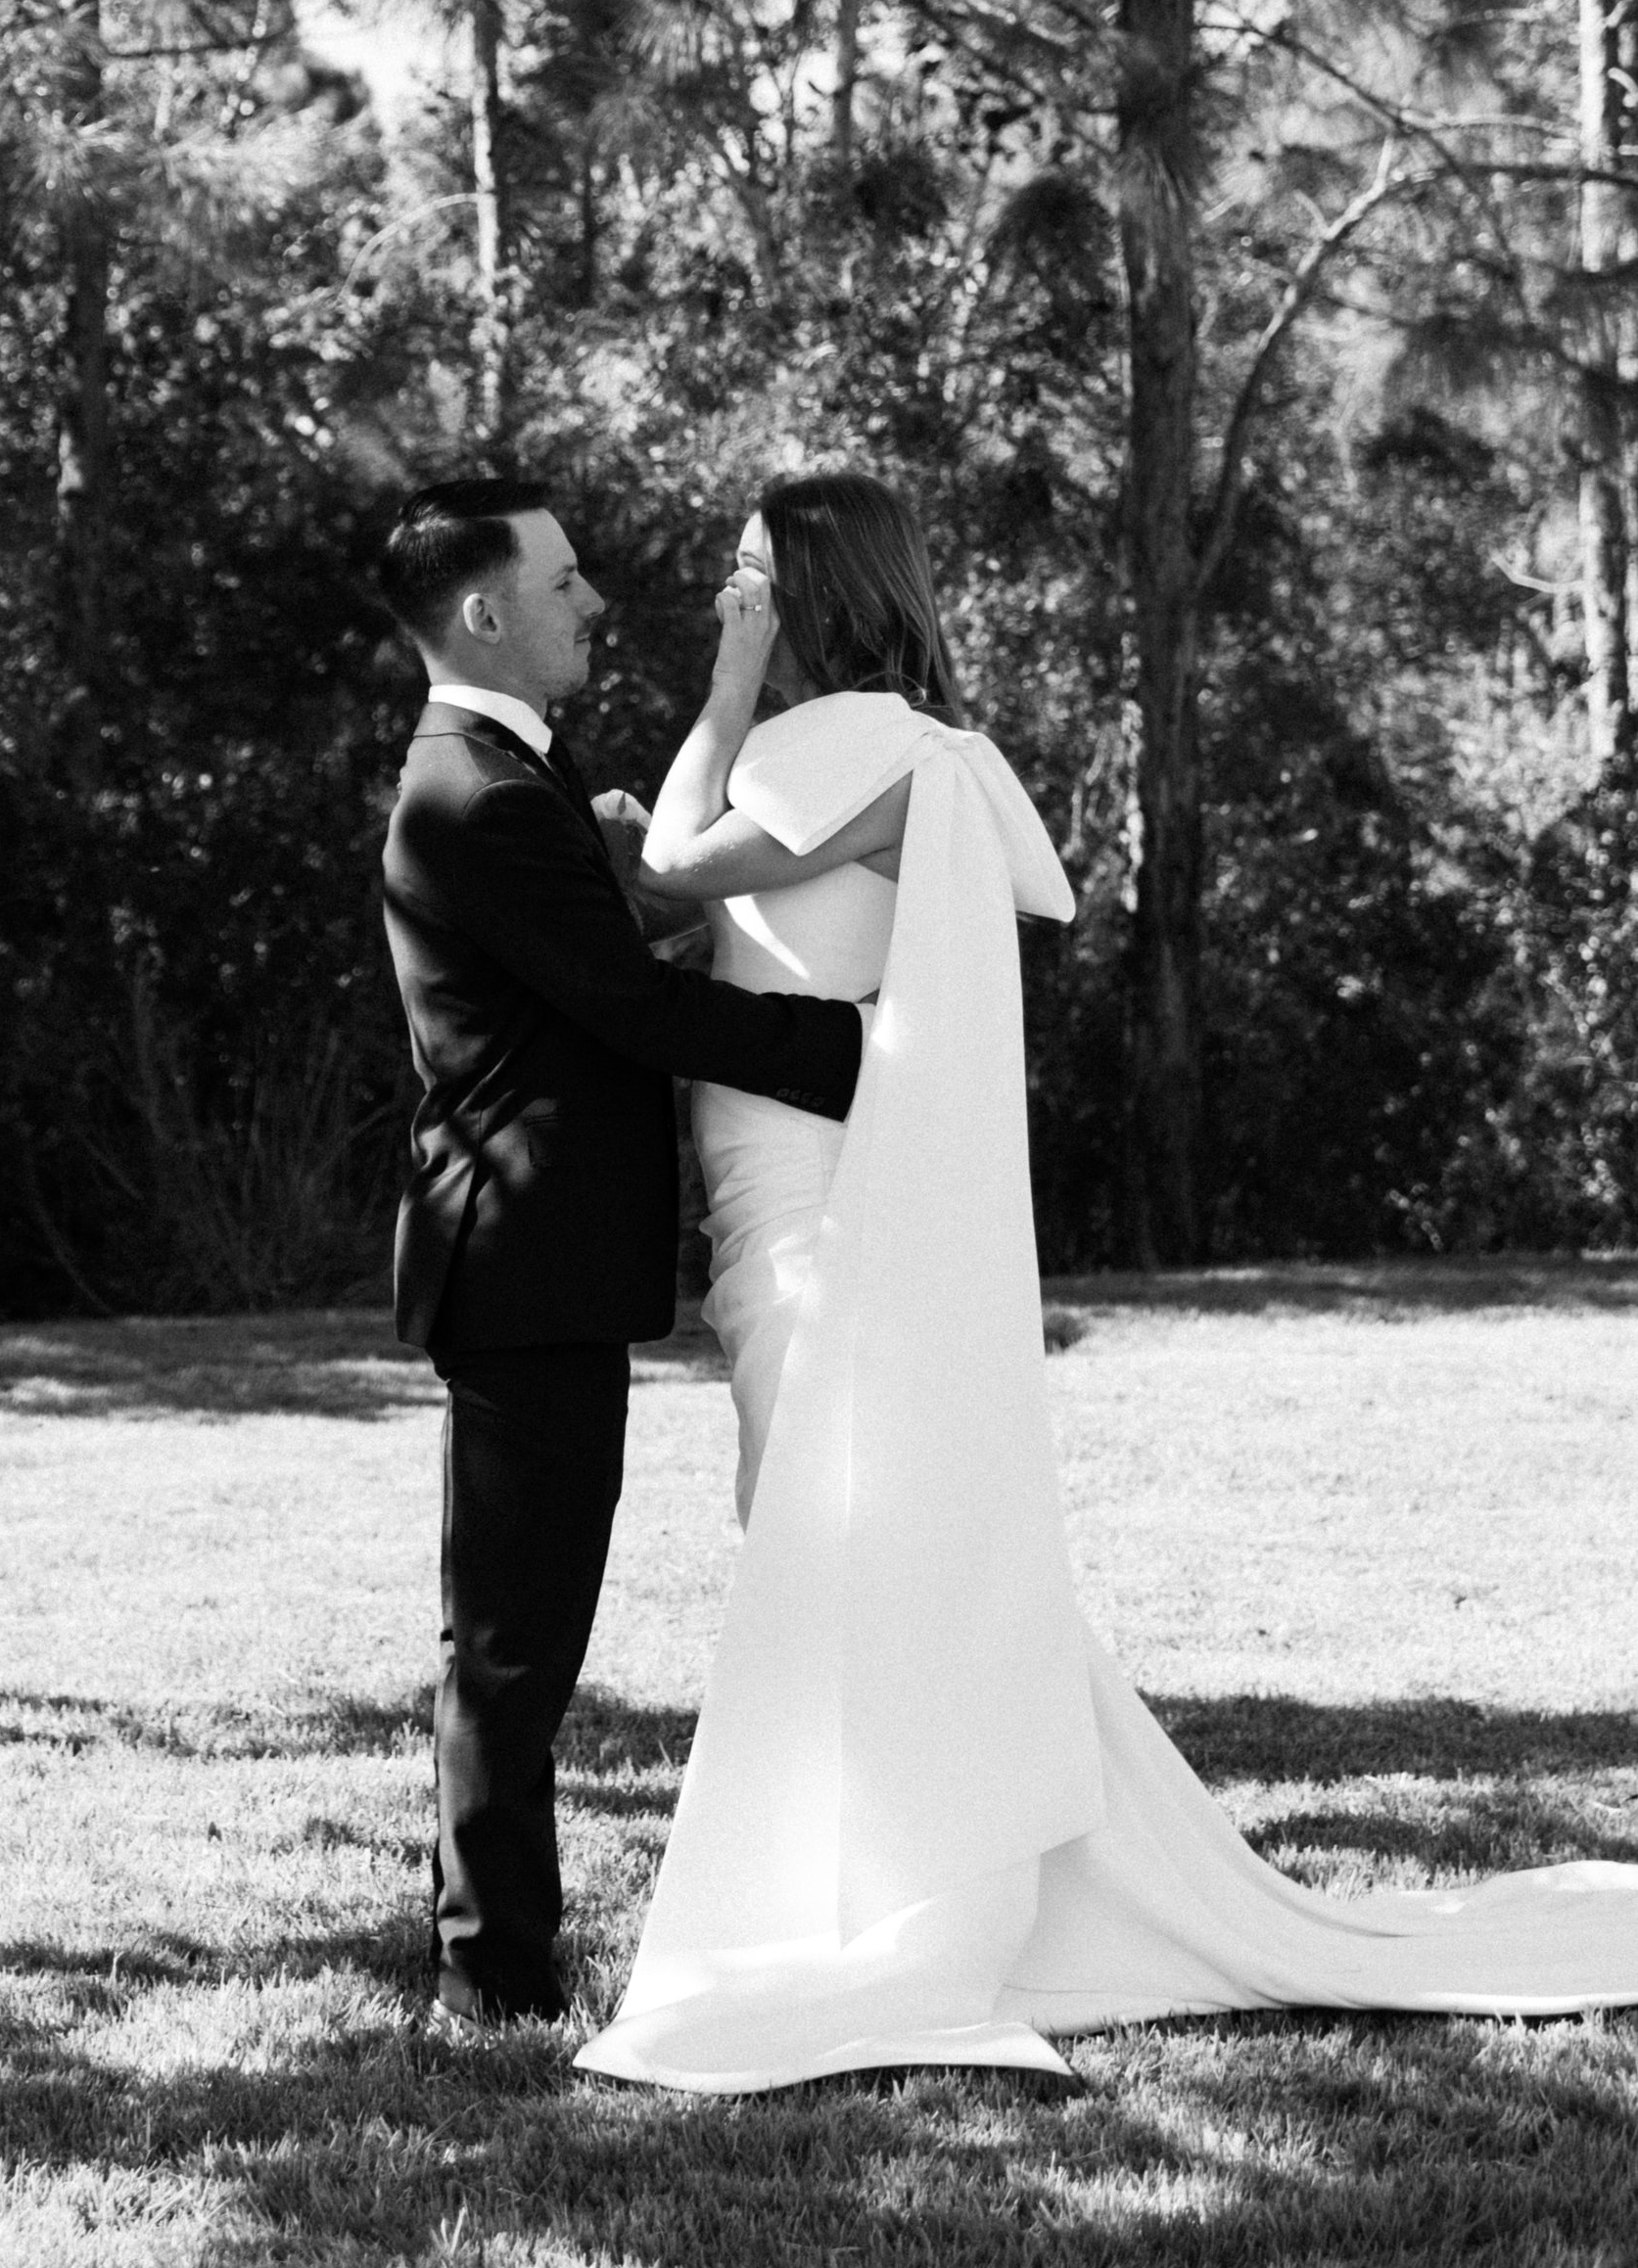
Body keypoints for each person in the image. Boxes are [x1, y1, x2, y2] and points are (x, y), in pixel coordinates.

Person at [575, 469, 1638, 2092]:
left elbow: (675, 877)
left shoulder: (851, 741)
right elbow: (720, 872)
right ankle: (892, 1842)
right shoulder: (891, 749)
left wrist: (710, 709)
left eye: (747, 575)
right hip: (767, 1181)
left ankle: (929, 1887)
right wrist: (700, 762)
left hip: (810, 1197)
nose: (728, 601)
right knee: (813, 1523)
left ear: (819, 588)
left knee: (829, 1526)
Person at [376, 477, 868, 2034]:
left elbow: (614, 958)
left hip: (549, 1261)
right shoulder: (474, 792)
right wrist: (866, 1045)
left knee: (529, 1627)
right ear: (484, 613)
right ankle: (492, 1977)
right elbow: (632, 1009)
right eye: (568, 581)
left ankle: (500, 1957)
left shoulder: (519, 774)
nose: (595, 602)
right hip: (518, 1260)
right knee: (514, 1640)